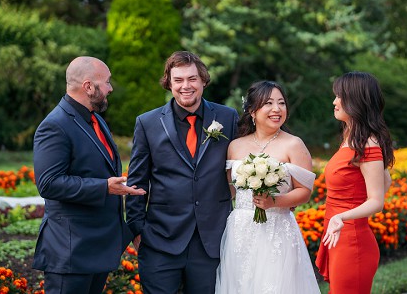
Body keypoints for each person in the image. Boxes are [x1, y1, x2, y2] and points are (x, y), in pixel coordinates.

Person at [125, 51, 239, 294]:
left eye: (192, 79)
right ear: (169, 83)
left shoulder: (228, 117)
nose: (185, 86)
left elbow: (244, 163)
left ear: (203, 81)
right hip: (160, 240)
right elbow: (137, 180)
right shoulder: (148, 122)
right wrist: (137, 229)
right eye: (178, 80)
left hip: (212, 240)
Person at [32, 56, 146, 294]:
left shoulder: (95, 119)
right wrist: (104, 187)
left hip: (95, 248)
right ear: (88, 86)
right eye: (106, 82)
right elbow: (48, 183)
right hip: (70, 251)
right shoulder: (54, 125)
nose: (110, 88)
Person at [215, 80, 320, 293]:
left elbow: (304, 192)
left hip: (277, 229)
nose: (277, 109)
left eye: (281, 103)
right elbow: (230, 189)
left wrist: (275, 201)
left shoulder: (294, 144)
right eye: (269, 103)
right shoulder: (235, 146)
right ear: (252, 111)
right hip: (241, 229)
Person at [315, 71, 394, 293]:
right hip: (341, 236)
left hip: (352, 242)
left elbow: (377, 201)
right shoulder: (353, 139)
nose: (334, 101)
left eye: (340, 96)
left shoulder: (367, 144)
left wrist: (343, 215)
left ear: (357, 100)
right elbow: (385, 181)